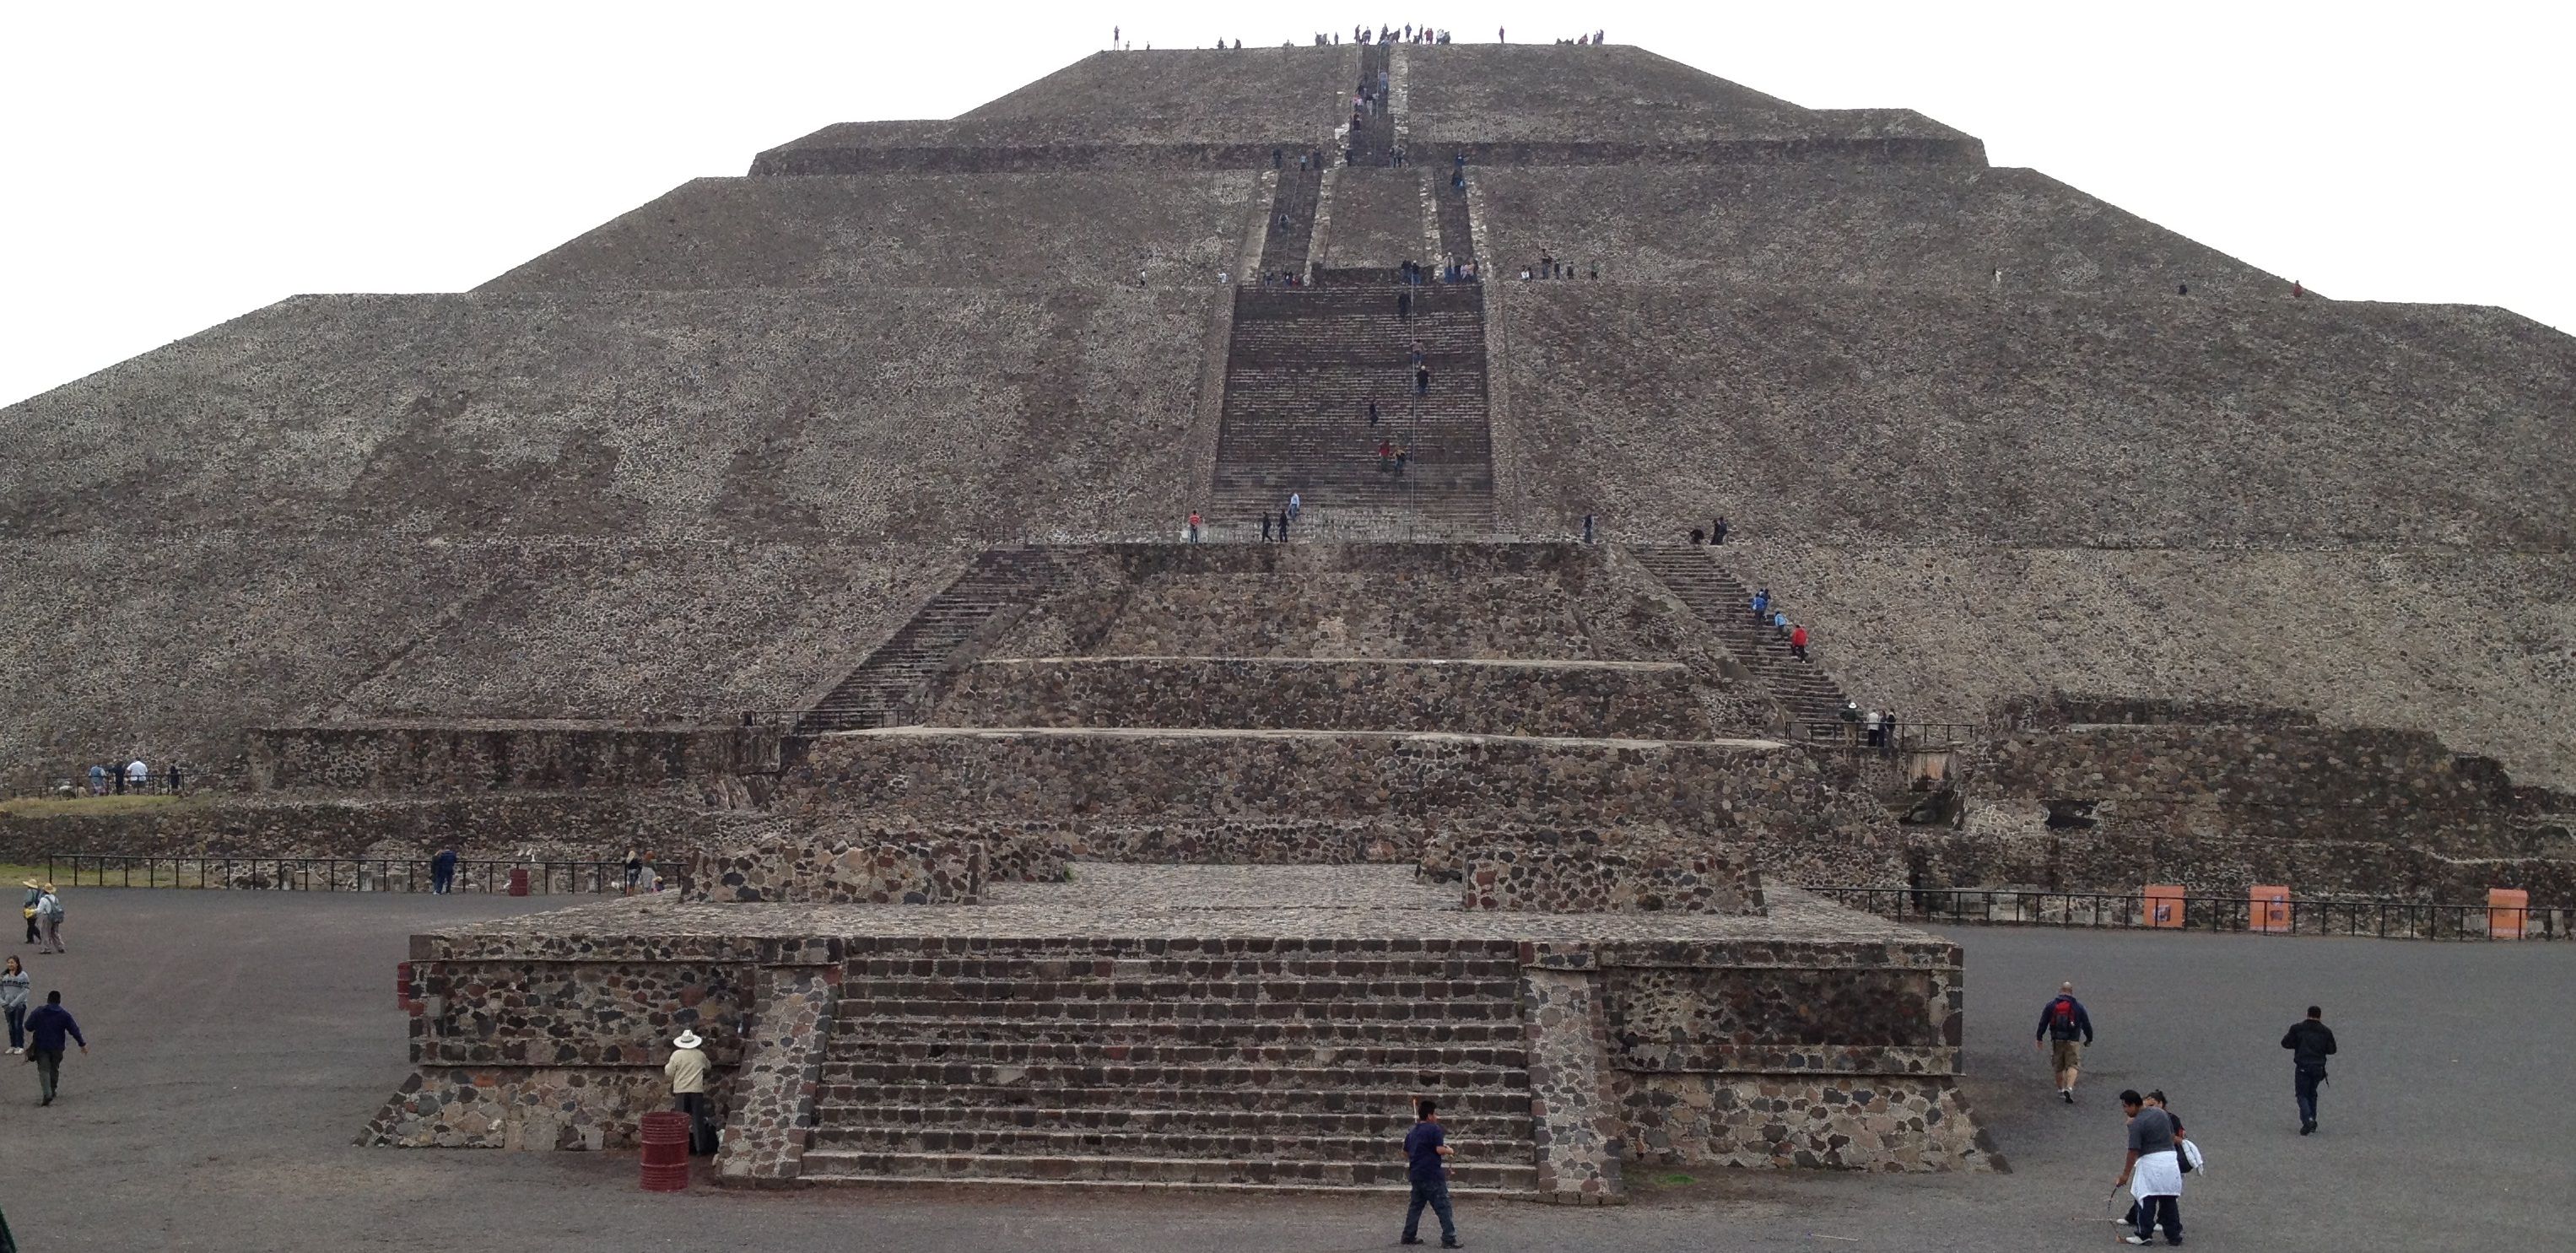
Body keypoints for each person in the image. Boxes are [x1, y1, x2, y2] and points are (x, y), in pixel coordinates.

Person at [2113, 1088, 2184, 1245]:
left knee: (2146, 1198)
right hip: (2171, 1161)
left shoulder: (2137, 1123)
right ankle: (2174, 1235)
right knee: (2169, 1198)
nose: (2124, 1110)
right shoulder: (2161, 1114)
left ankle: (2144, 1234)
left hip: (2151, 1163)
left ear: (2133, 1105)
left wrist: (2125, 1175)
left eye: (2125, 1107)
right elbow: (2171, 1136)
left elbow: (2133, 1151)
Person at [1400, 1099, 1460, 1247]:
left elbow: (1405, 1152)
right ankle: (1449, 1239)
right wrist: (1449, 1150)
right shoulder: (1435, 1129)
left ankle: (1408, 1235)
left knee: (1415, 1207)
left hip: (1416, 1174)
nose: (1436, 1117)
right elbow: (1439, 1150)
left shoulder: (1412, 1132)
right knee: (1443, 1206)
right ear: (1429, 1116)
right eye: (1435, 1114)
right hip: (1432, 1175)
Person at [2282, 1005, 2337, 1134]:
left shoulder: (2297, 1028)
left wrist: (2299, 1045)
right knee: (2312, 1093)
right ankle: (2312, 1120)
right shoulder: (2326, 1031)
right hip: (2318, 1067)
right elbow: (2332, 1050)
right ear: (2320, 1016)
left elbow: (2285, 1043)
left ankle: (2308, 1120)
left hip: (2303, 1066)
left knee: (2302, 1094)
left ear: (2307, 1014)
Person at [2036, 981, 2095, 1101]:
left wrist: (2039, 1037)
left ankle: (2061, 1090)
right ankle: (2069, 1087)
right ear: (2071, 992)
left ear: (2060, 991)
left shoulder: (2051, 1005)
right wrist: (2089, 1038)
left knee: (2059, 1066)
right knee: (2073, 1065)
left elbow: (2043, 1022)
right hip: (2073, 1040)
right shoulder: (2078, 1006)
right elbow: (2086, 1024)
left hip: (2057, 1040)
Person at [24, 991, 85, 1106]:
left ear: (48, 1000)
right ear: (59, 1001)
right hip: (57, 1047)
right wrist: (82, 1044)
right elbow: (74, 1030)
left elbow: (28, 1026)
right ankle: (52, 1089)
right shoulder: (64, 1015)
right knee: (54, 1068)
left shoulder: (39, 1012)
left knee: (44, 1069)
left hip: (41, 1046)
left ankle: (47, 1093)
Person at [667, 1029, 716, 1154]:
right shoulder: (700, 1055)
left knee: (680, 1120)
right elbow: (708, 1068)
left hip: (681, 1090)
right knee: (697, 1120)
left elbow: (669, 1072)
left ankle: (679, 1148)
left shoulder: (676, 1055)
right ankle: (700, 1148)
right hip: (696, 1090)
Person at [0, 958, 26, 1054]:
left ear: (17, 964)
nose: (10, 965)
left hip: (19, 1004)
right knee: (10, 1025)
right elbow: (1, 990)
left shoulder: (23, 975)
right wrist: (3, 1002)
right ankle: (13, 1045)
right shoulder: (3, 976)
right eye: (8, 963)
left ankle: (20, 1046)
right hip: (7, 1005)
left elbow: (25, 991)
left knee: (17, 1024)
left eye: (12, 963)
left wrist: (14, 1003)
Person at [33, 886, 62, 956]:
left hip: (47, 916)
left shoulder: (43, 899)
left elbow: (39, 910)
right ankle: (60, 946)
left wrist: (32, 911)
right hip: (55, 916)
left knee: (45, 932)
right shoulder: (55, 898)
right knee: (55, 932)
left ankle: (46, 948)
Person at [19, 882, 37, 946]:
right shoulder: (37, 892)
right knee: (32, 923)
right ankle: (30, 938)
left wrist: (25, 906)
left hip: (30, 908)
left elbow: (28, 900)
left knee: (31, 924)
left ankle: (32, 938)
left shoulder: (30, 891)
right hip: (35, 908)